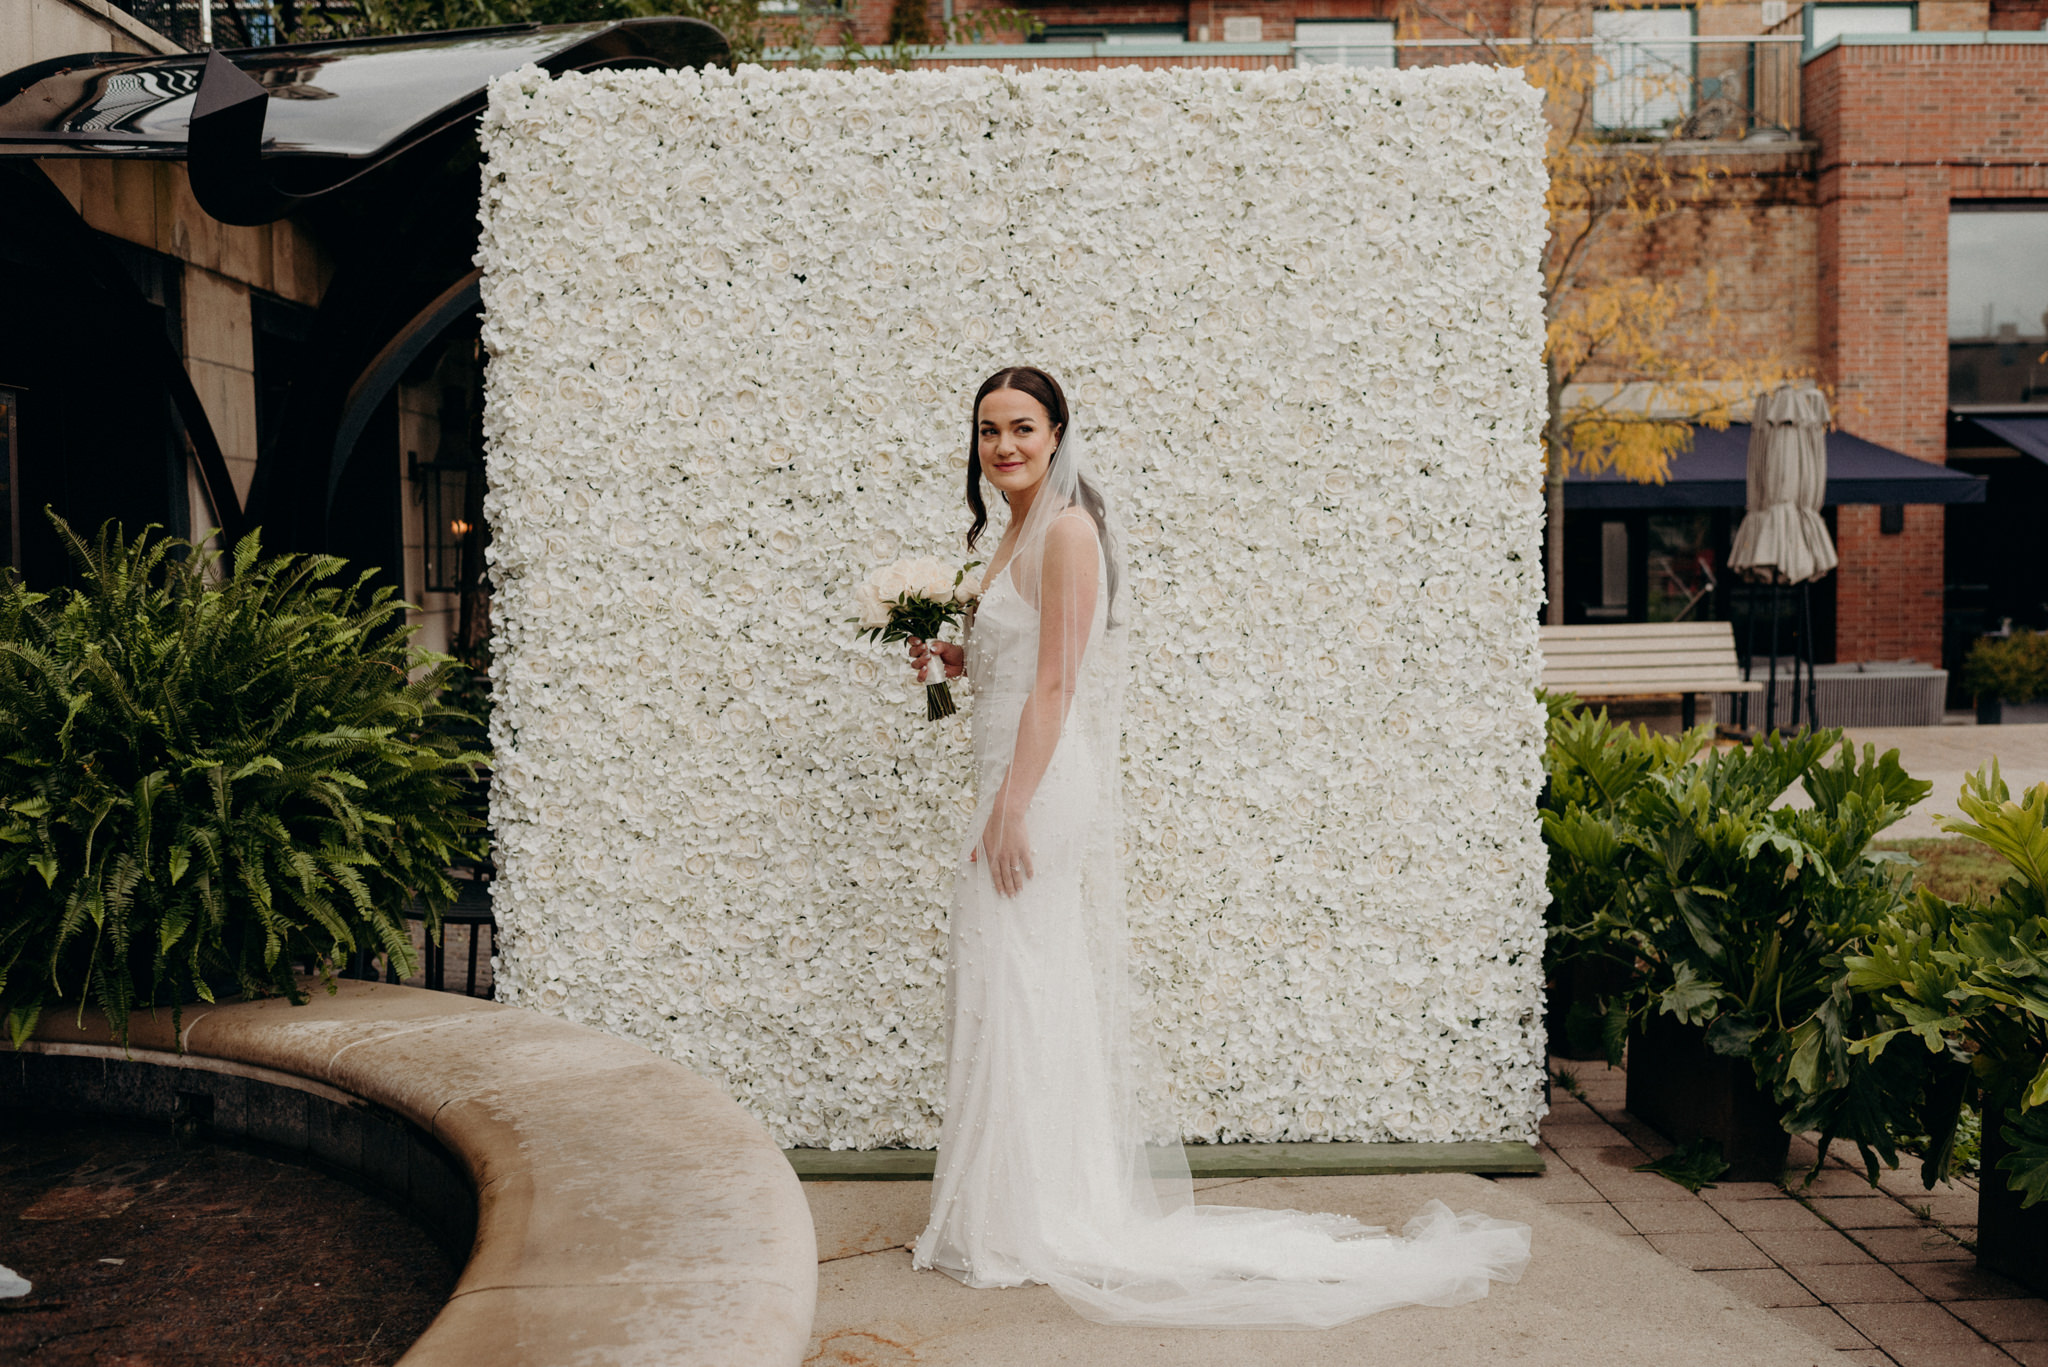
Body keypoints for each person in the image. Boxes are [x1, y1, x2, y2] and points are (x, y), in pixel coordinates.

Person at [900, 365, 1532, 1329]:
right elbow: (1019, 661)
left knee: (1018, 976)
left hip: (1033, 789)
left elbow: (1060, 689)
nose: (1004, 447)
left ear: (1060, 432)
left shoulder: (1068, 531)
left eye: (1022, 427)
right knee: (1016, 979)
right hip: (1008, 779)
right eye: (988, 431)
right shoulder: (1017, 533)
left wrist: (1014, 806)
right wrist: (954, 656)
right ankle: (1023, 1201)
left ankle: (1038, 1215)